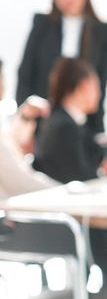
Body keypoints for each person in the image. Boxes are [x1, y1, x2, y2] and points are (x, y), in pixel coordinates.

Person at [32, 57, 107, 299]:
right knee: (98, 223)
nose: (99, 94)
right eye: (96, 87)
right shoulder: (63, 127)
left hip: (75, 211)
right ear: (81, 87)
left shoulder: (72, 122)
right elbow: (82, 176)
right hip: (68, 217)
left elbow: (92, 159)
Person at [17, 0, 107, 134]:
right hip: (43, 123)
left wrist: (98, 134)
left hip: (82, 127)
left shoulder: (103, 32)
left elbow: (100, 85)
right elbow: (25, 73)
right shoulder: (43, 24)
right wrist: (25, 119)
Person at [0, 59, 57, 238]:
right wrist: (64, 193)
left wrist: (25, 115)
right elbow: (21, 180)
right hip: (12, 222)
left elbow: (14, 143)